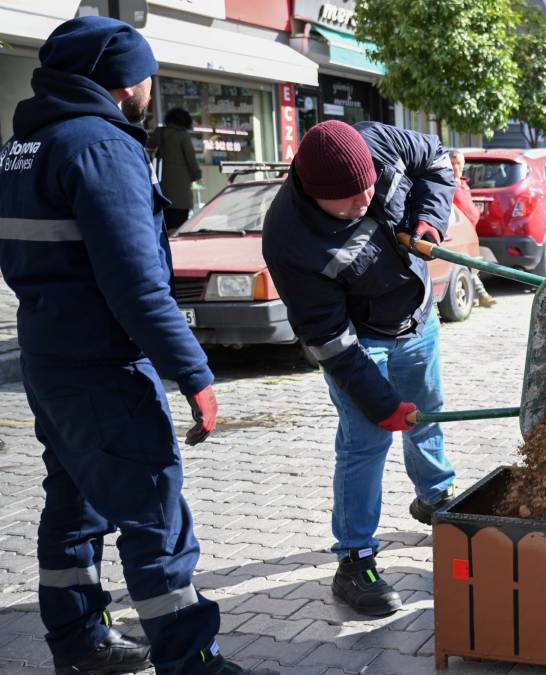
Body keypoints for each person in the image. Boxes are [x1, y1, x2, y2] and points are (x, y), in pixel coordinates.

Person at [0, 16, 270, 675]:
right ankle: (190, 658)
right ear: (124, 81)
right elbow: (135, 285)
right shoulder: (100, 148)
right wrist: (195, 373)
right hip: (104, 366)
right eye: (146, 71)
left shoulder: (22, 145)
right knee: (154, 511)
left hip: (49, 357)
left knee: (74, 501)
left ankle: (79, 640)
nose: (151, 83)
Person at [262, 120, 457, 618]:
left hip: (419, 315)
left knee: (429, 411)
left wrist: (429, 220)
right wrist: (379, 401)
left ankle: (435, 498)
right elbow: (328, 339)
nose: (365, 202)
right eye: (349, 200)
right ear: (313, 192)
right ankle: (354, 558)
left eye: (371, 187)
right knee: (366, 439)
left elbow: (435, 160)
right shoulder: (288, 238)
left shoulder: (377, 141)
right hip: (361, 339)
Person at [448, 148, 496, 307]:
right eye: (452, 163)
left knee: (470, 264)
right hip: (456, 231)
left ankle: (479, 295)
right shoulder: (446, 183)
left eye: (458, 163)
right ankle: (481, 295)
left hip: (468, 232)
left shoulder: (462, 183)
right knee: (466, 264)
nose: (455, 167)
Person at [148, 107, 202, 233]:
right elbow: (191, 159)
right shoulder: (183, 136)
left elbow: (148, 148)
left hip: (162, 186)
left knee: (164, 227)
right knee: (179, 228)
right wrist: (197, 175)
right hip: (181, 189)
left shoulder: (159, 132)